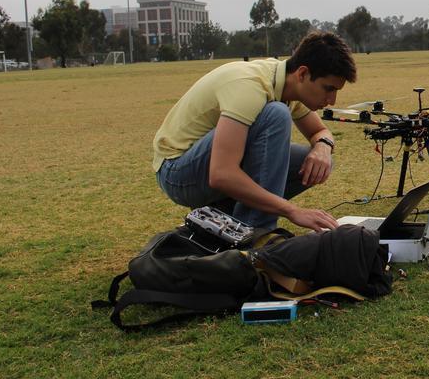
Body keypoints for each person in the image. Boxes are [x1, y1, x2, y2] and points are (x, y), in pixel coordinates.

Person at [152, 32, 357, 232]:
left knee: (316, 162)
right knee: (276, 114)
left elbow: (320, 131)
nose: (332, 100)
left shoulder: (286, 82)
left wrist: (323, 146)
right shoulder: (251, 87)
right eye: (328, 89)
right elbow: (221, 174)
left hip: (205, 166)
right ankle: (258, 234)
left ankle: (228, 219)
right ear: (302, 74)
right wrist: (292, 211)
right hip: (176, 171)